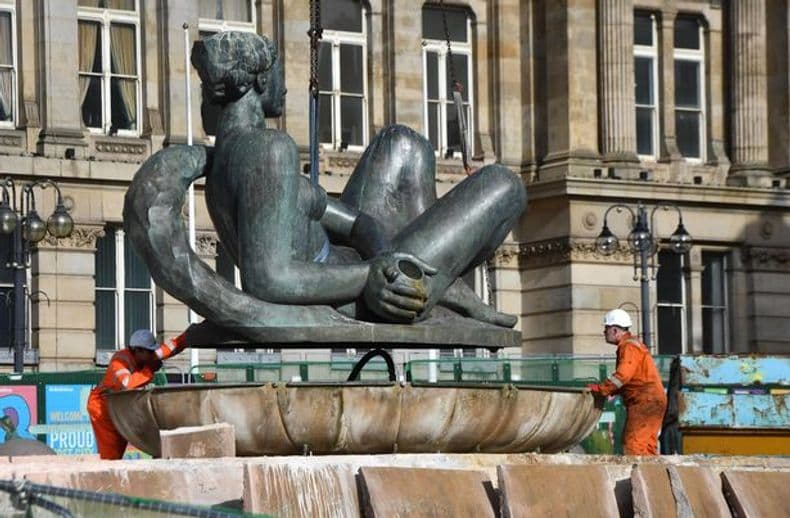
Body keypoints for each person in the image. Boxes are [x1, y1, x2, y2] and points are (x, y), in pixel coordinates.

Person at [183, 31, 525, 328]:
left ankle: (440, 281)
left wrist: (386, 258)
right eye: (280, 74)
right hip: (375, 295)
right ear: (259, 81)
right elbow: (269, 279)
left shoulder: (237, 153)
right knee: (505, 184)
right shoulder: (266, 150)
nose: (285, 87)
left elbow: (357, 223)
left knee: (402, 143)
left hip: (371, 267)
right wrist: (372, 276)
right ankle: (440, 286)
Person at [87, 329, 187, 459]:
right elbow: (127, 384)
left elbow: (167, 349)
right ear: (138, 350)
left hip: (119, 405)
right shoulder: (119, 361)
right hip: (102, 408)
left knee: (121, 446)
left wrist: (186, 338)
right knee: (111, 453)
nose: (153, 355)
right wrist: (149, 370)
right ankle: (108, 476)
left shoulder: (145, 356)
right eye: (150, 352)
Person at [587, 309, 667, 455]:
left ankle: (638, 475)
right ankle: (651, 475)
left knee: (634, 446)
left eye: (606, 329)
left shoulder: (628, 347)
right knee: (647, 448)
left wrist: (601, 390)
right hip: (653, 399)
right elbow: (630, 379)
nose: (604, 332)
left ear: (615, 330)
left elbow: (622, 376)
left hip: (644, 401)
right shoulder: (633, 345)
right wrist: (609, 390)